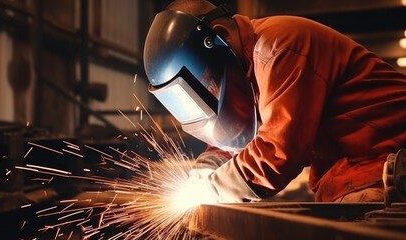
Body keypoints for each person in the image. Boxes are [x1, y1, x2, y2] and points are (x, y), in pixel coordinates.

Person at [143, 0, 406, 203]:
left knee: (353, 203)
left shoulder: (278, 48)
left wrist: (213, 189)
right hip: (359, 154)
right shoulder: (248, 71)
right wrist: (205, 170)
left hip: (390, 144)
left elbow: (277, 152)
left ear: (222, 36)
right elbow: (240, 137)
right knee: (332, 192)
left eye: (211, 86)